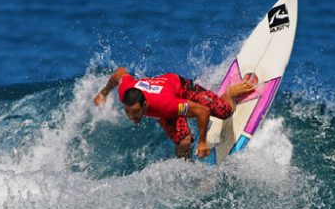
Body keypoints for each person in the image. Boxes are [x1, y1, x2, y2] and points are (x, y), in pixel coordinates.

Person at [93, 67, 257, 159]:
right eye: (128, 112)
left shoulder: (166, 105)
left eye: (135, 112)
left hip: (179, 87)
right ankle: (188, 170)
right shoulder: (125, 92)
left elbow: (202, 111)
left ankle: (229, 93)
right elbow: (120, 73)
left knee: (224, 111)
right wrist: (104, 92)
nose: (132, 116)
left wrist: (202, 142)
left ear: (145, 105)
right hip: (164, 98)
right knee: (183, 142)